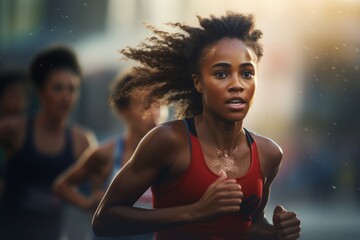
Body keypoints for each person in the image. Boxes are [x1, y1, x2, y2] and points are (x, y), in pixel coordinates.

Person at [92, 12, 301, 240]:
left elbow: (248, 225)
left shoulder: (268, 154)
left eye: (247, 73)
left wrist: (275, 233)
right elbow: (104, 220)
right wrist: (195, 211)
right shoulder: (169, 141)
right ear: (198, 83)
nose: (237, 85)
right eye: (221, 73)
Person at [54, 71, 167, 240]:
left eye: (159, 104)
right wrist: (88, 204)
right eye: (145, 104)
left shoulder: (171, 156)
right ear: (123, 110)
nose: (154, 112)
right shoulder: (105, 154)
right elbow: (62, 186)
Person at [0, 45, 97, 240]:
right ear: (41, 91)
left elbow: (98, 191)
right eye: (58, 88)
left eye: (72, 89)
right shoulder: (14, 130)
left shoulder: (82, 141)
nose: (66, 97)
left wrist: (87, 203)